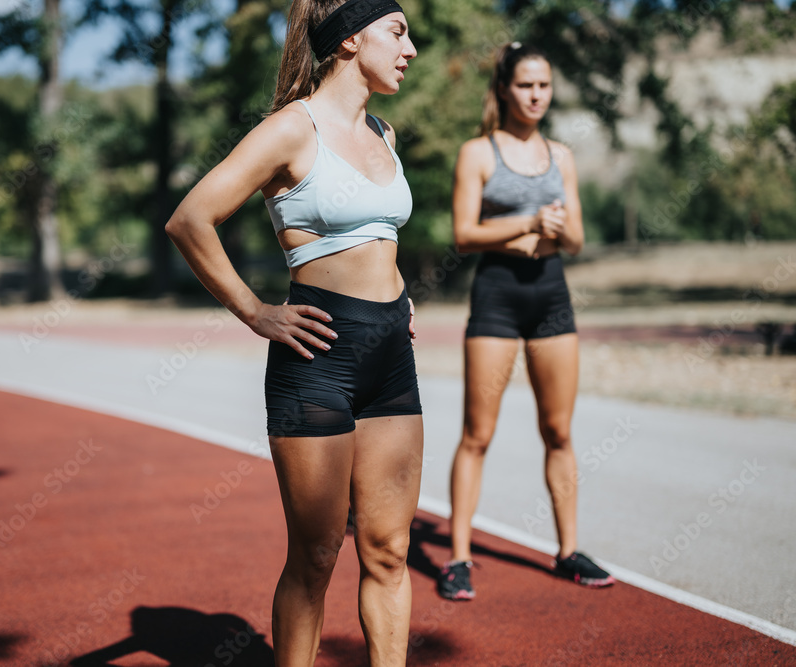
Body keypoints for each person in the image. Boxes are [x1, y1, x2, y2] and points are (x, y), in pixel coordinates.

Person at [165, 1, 422, 663]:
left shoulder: (384, 132)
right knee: (315, 554)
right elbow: (191, 219)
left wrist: (398, 295)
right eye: (397, 32)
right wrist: (254, 310)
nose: (411, 48)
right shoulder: (291, 130)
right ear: (348, 41)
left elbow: (376, 235)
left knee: (391, 551)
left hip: (393, 353)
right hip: (319, 359)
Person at [438, 42, 615, 601]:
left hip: (551, 295)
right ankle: (460, 558)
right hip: (497, 295)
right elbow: (465, 236)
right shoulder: (478, 153)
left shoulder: (561, 156)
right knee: (478, 434)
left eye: (544, 85)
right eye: (525, 85)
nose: (536, 94)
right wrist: (529, 221)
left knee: (559, 431)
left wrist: (555, 229)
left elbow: (579, 239)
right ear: (505, 89)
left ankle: (568, 551)